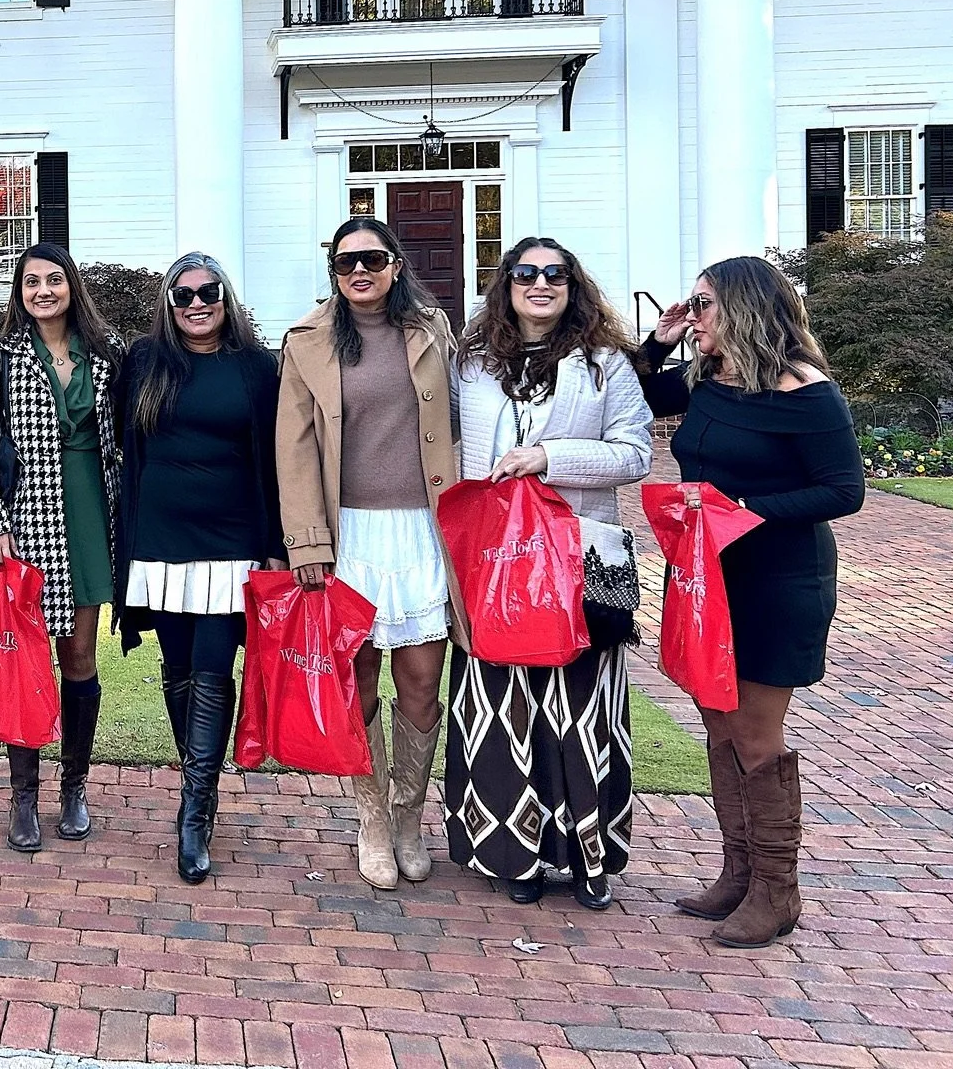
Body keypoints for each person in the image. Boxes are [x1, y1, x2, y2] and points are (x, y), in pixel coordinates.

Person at [638, 255, 864, 948]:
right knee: (716, 725)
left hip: (777, 581)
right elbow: (644, 396)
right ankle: (737, 874)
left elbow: (843, 490)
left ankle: (776, 891)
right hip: (706, 576)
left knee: (755, 734)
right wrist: (659, 343)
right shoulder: (706, 381)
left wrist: (745, 508)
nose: (693, 313)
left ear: (742, 308)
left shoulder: (807, 393)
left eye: (703, 303)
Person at [444, 238, 653, 910]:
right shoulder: (471, 365)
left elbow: (634, 452)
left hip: (585, 560)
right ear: (505, 285)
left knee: (586, 713)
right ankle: (517, 853)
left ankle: (591, 859)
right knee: (506, 710)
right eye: (525, 273)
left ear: (572, 285)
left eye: (554, 274)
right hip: (495, 559)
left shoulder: (605, 366)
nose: (540, 283)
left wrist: (547, 456)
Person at [277, 217, 461, 892]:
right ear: (333, 271)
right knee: (356, 680)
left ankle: (411, 817)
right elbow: (293, 450)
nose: (360, 271)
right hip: (347, 533)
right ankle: (373, 819)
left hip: (422, 530)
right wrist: (307, 542)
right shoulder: (307, 343)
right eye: (346, 262)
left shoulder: (433, 331)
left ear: (395, 264)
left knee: (419, 683)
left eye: (373, 259)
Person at [115, 252, 283, 884]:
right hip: (158, 540)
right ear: (168, 305)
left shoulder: (257, 367)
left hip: (232, 539)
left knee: (214, 668)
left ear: (226, 297)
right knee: (179, 668)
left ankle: (194, 811)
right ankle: (201, 780)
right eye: (182, 296)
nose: (196, 305)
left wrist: (277, 545)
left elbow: (273, 460)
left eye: (207, 292)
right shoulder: (143, 363)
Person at [0, 243, 124, 851]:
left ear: (72, 287)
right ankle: (23, 795)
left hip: (90, 519)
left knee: (79, 657)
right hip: (26, 524)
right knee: (25, 662)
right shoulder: (1, 359)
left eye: (55, 280)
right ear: (19, 293)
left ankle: (74, 787)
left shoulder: (105, 356)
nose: (45, 291)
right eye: (32, 282)